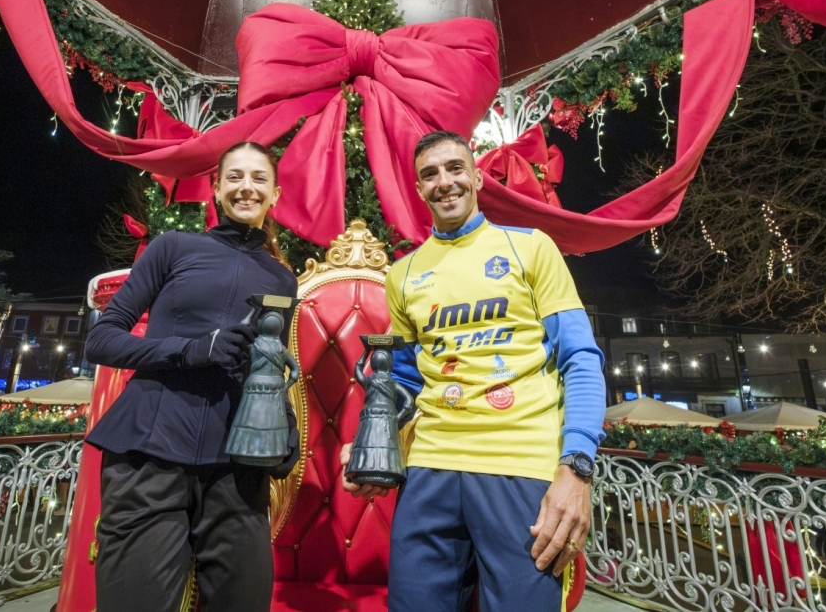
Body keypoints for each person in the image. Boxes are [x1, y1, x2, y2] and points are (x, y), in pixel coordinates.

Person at [341, 131, 607, 612]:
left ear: (477, 178)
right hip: (429, 470)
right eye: (430, 174)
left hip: (519, 467)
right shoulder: (403, 274)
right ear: (419, 189)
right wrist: (372, 443)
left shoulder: (531, 248)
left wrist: (577, 469)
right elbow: (404, 381)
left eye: (455, 168)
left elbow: (581, 360)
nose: (444, 182)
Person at [85, 142, 299, 612]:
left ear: (275, 193)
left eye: (259, 178)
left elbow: (269, 361)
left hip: (237, 464)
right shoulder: (174, 247)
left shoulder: (283, 279)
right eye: (235, 177)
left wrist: (284, 422)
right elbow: (101, 340)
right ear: (216, 189)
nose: (246, 187)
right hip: (149, 453)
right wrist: (191, 349)